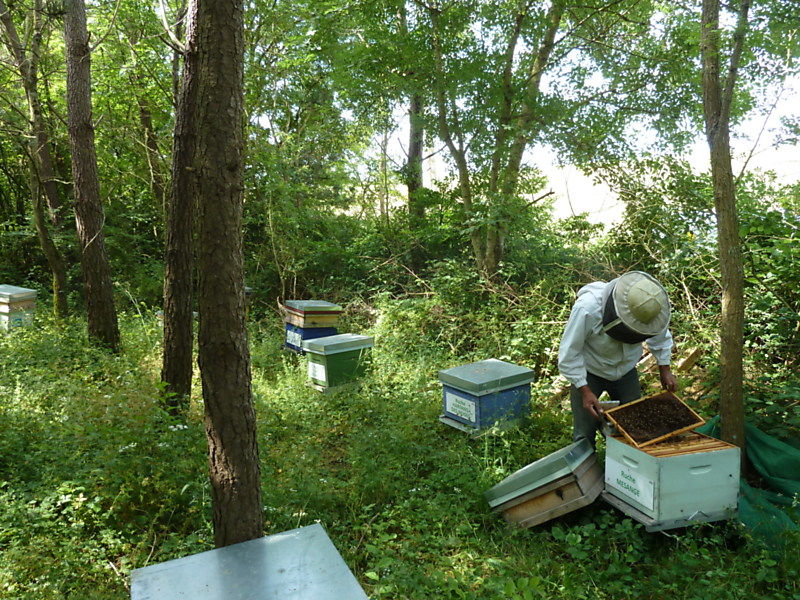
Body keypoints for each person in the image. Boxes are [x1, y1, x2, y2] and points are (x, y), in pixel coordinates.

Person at [558, 271, 678, 449]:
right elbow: (569, 353)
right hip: (590, 371)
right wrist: (584, 390)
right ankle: (587, 474)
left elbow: (660, 337)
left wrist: (665, 369)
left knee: (634, 427)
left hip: (626, 371)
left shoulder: (651, 307)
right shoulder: (588, 308)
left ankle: (624, 472)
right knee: (584, 434)